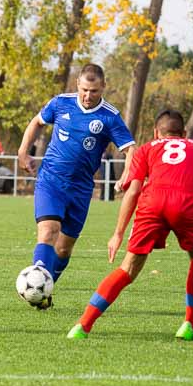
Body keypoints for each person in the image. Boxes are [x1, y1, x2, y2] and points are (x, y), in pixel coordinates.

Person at [66, 109, 193, 341]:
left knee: (127, 268)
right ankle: (189, 326)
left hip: (153, 204)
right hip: (188, 205)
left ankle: (82, 326)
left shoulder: (146, 148)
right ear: (184, 133)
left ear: (156, 133)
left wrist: (118, 233)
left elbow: (134, 191)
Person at [17, 63, 136, 309]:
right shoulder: (61, 103)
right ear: (77, 85)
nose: (88, 95)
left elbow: (130, 149)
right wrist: (23, 151)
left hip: (81, 189)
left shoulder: (110, 117)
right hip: (51, 181)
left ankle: (44, 289)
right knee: (48, 231)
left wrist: (126, 175)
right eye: (84, 90)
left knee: (63, 249)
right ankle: (38, 285)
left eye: (94, 91)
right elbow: (37, 122)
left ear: (103, 87)